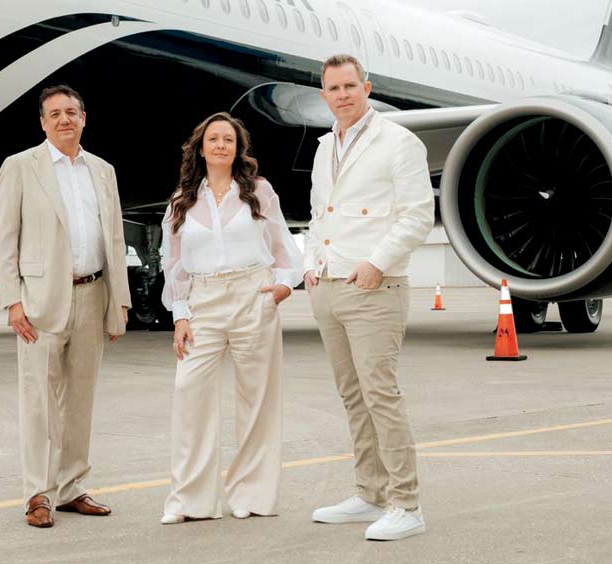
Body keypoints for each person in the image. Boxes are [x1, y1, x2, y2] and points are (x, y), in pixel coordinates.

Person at [304, 55, 434, 541]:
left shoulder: (398, 142)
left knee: (381, 396)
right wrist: (310, 265)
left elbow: (418, 215)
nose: (342, 95)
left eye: (350, 86)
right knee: (353, 397)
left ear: (367, 87)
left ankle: (407, 504)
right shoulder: (323, 148)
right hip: (329, 287)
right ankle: (368, 493)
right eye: (333, 88)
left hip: (374, 287)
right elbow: (322, 215)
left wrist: (376, 263)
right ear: (324, 95)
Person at [0, 84, 131, 528]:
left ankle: (71, 488)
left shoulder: (103, 170)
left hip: (92, 294)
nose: (64, 120)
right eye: (55, 114)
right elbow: (4, 237)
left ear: (84, 118)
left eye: (72, 112)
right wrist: (13, 300)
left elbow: (113, 237)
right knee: (38, 401)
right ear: (43, 123)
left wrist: (119, 301)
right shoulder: (19, 167)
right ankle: (38, 492)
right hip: (39, 302)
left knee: (80, 401)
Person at [160, 112, 303, 524]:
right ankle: (189, 501)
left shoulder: (258, 191)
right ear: (200, 148)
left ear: (238, 149)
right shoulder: (181, 200)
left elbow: (282, 245)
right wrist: (180, 315)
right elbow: (174, 265)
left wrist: (282, 285)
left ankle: (251, 495)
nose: (220, 145)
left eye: (228, 139)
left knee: (255, 401)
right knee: (190, 396)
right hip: (203, 300)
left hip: (251, 295)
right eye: (213, 139)